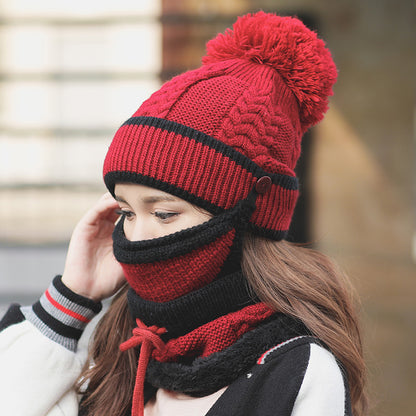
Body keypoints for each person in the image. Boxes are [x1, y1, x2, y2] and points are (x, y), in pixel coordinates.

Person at [0, 11, 368, 416]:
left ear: (250, 216)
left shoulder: (296, 372)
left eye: (163, 214)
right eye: (126, 211)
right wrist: (71, 299)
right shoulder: (105, 350)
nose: (135, 237)